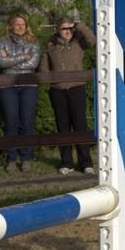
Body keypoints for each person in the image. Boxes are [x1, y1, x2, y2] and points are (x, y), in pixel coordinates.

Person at [40, 17, 96, 174]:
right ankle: (66, 162)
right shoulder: (50, 45)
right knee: (62, 126)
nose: (67, 31)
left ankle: (86, 162)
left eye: (70, 28)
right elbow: (44, 68)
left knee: (80, 125)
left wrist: (78, 25)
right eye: (64, 28)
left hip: (76, 88)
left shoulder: (79, 42)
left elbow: (92, 40)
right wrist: (49, 80)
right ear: (58, 29)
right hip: (58, 91)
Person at [0, 13, 41, 173]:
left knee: (27, 122)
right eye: (17, 24)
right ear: (11, 26)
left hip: (28, 85)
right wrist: (24, 56)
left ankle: (26, 158)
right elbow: (1, 62)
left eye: (23, 24)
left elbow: (34, 63)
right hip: (7, 85)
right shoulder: (2, 41)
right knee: (11, 121)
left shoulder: (33, 41)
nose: (21, 27)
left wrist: (11, 59)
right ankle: (11, 158)